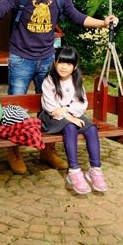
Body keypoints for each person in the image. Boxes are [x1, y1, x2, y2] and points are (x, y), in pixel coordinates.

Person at [0, 0, 118, 175]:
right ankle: (14, 152)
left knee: (51, 107)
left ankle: (47, 151)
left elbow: (77, 17)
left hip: (48, 59)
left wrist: (103, 23)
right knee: (15, 107)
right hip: (21, 58)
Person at [39, 46, 107, 194]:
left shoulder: (76, 81)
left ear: (74, 67)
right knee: (70, 127)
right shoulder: (49, 81)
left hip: (71, 114)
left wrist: (67, 111)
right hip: (51, 118)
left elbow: (82, 103)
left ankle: (95, 169)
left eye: (68, 64)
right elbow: (51, 107)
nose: (64, 67)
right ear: (55, 63)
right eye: (61, 62)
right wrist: (67, 115)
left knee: (91, 128)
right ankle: (74, 171)